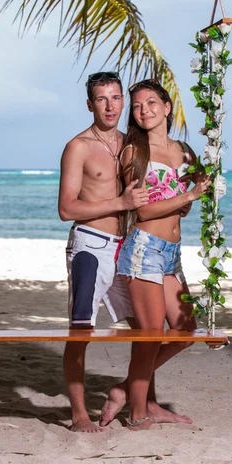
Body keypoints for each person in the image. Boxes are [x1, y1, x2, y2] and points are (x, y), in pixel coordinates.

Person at [99, 78, 211, 431]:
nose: (143, 110)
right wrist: (188, 196)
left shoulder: (185, 152)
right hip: (143, 251)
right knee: (150, 335)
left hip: (172, 253)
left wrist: (201, 189)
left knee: (186, 327)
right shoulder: (136, 152)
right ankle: (137, 411)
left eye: (151, 103)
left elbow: (183, 212)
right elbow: (144, 213)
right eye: (137, 106)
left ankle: (124, 388)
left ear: (166, 107)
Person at [58, 71, 149, 433]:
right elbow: (66, 209)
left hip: (125, 248)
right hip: (90, 248)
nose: (110, 106)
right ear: (90, 104)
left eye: (115, 98)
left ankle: (128, 395)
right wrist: (120, 201)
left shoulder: (131, 145)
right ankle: (79, 415)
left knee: (148, 332)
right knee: (80, 331)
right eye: (101, 99)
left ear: (123, 102)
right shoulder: (78, 146)